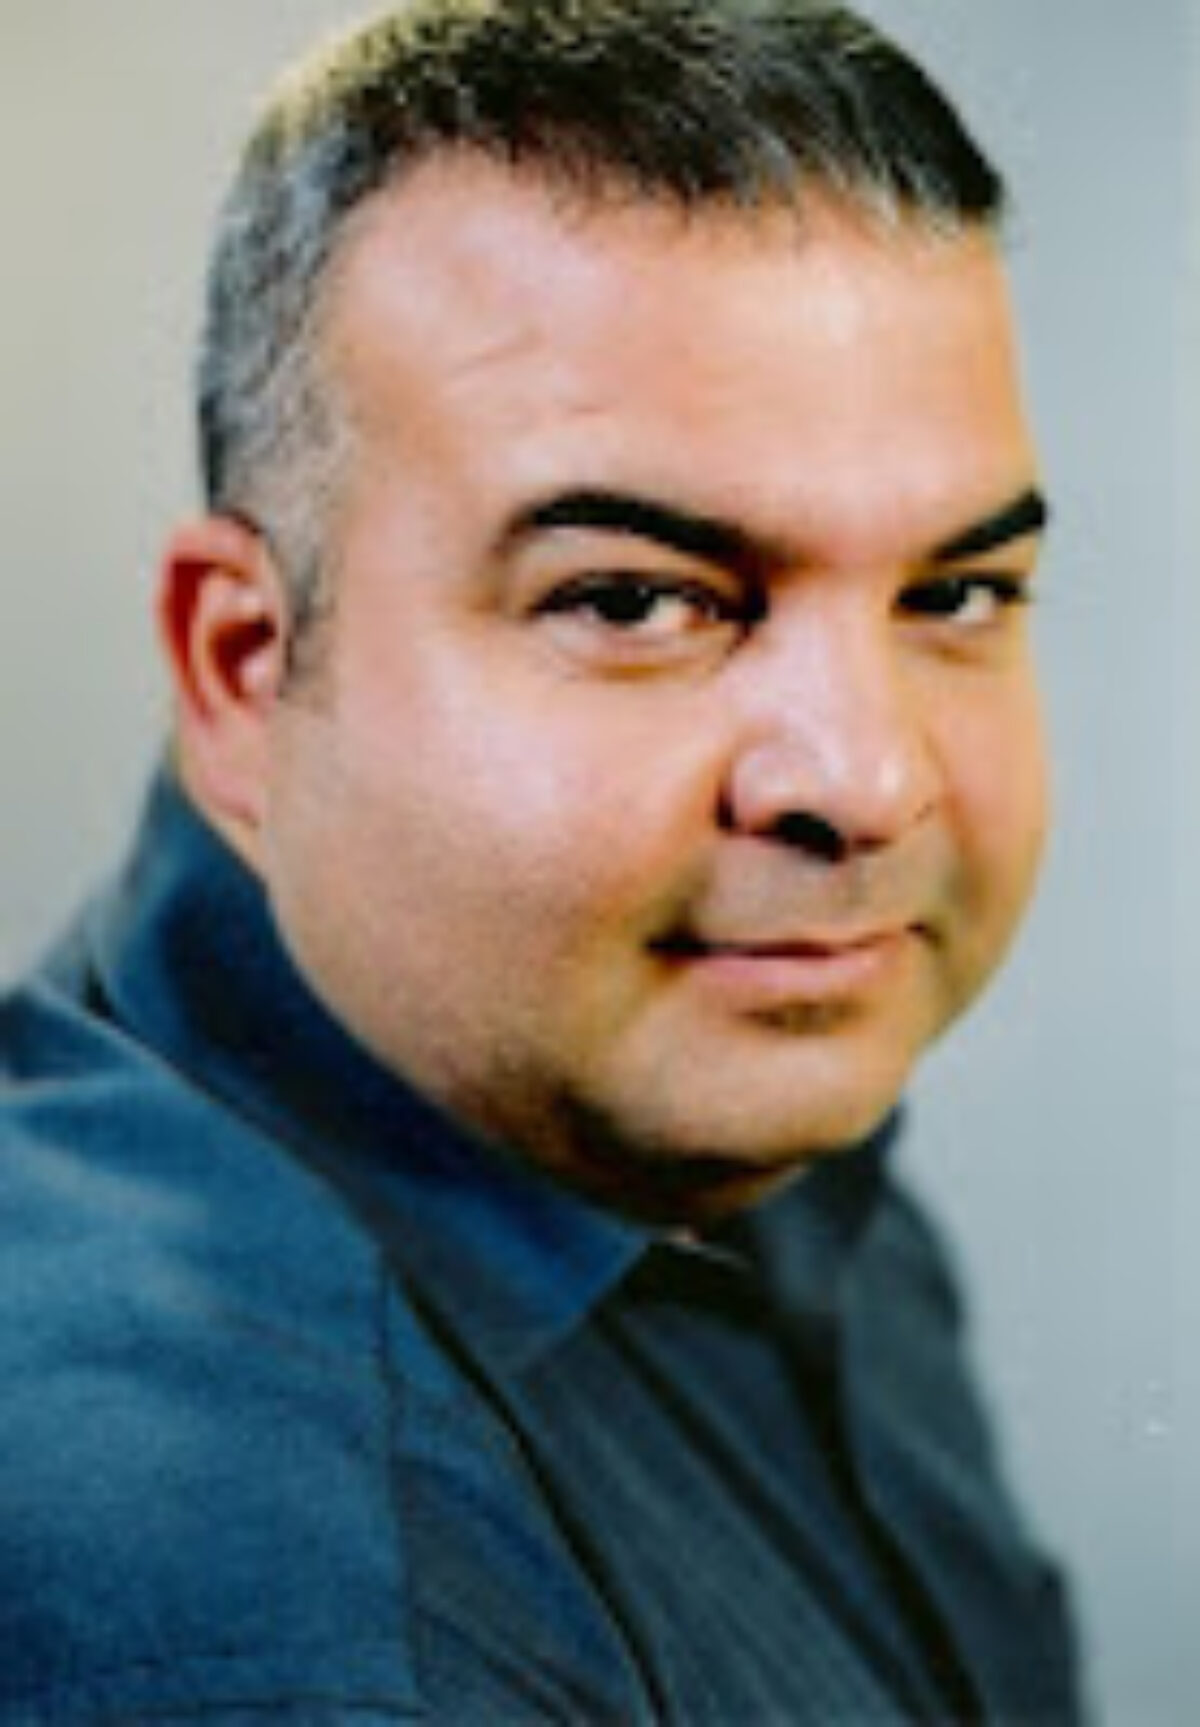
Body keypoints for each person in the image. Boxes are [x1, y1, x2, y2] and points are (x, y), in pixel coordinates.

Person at [0, 1, 1085, 1720]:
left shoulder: (691, 1112)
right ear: (247, 669)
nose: (867, 779)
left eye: (953, 594)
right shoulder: (280, 1612)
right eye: (636, 601)